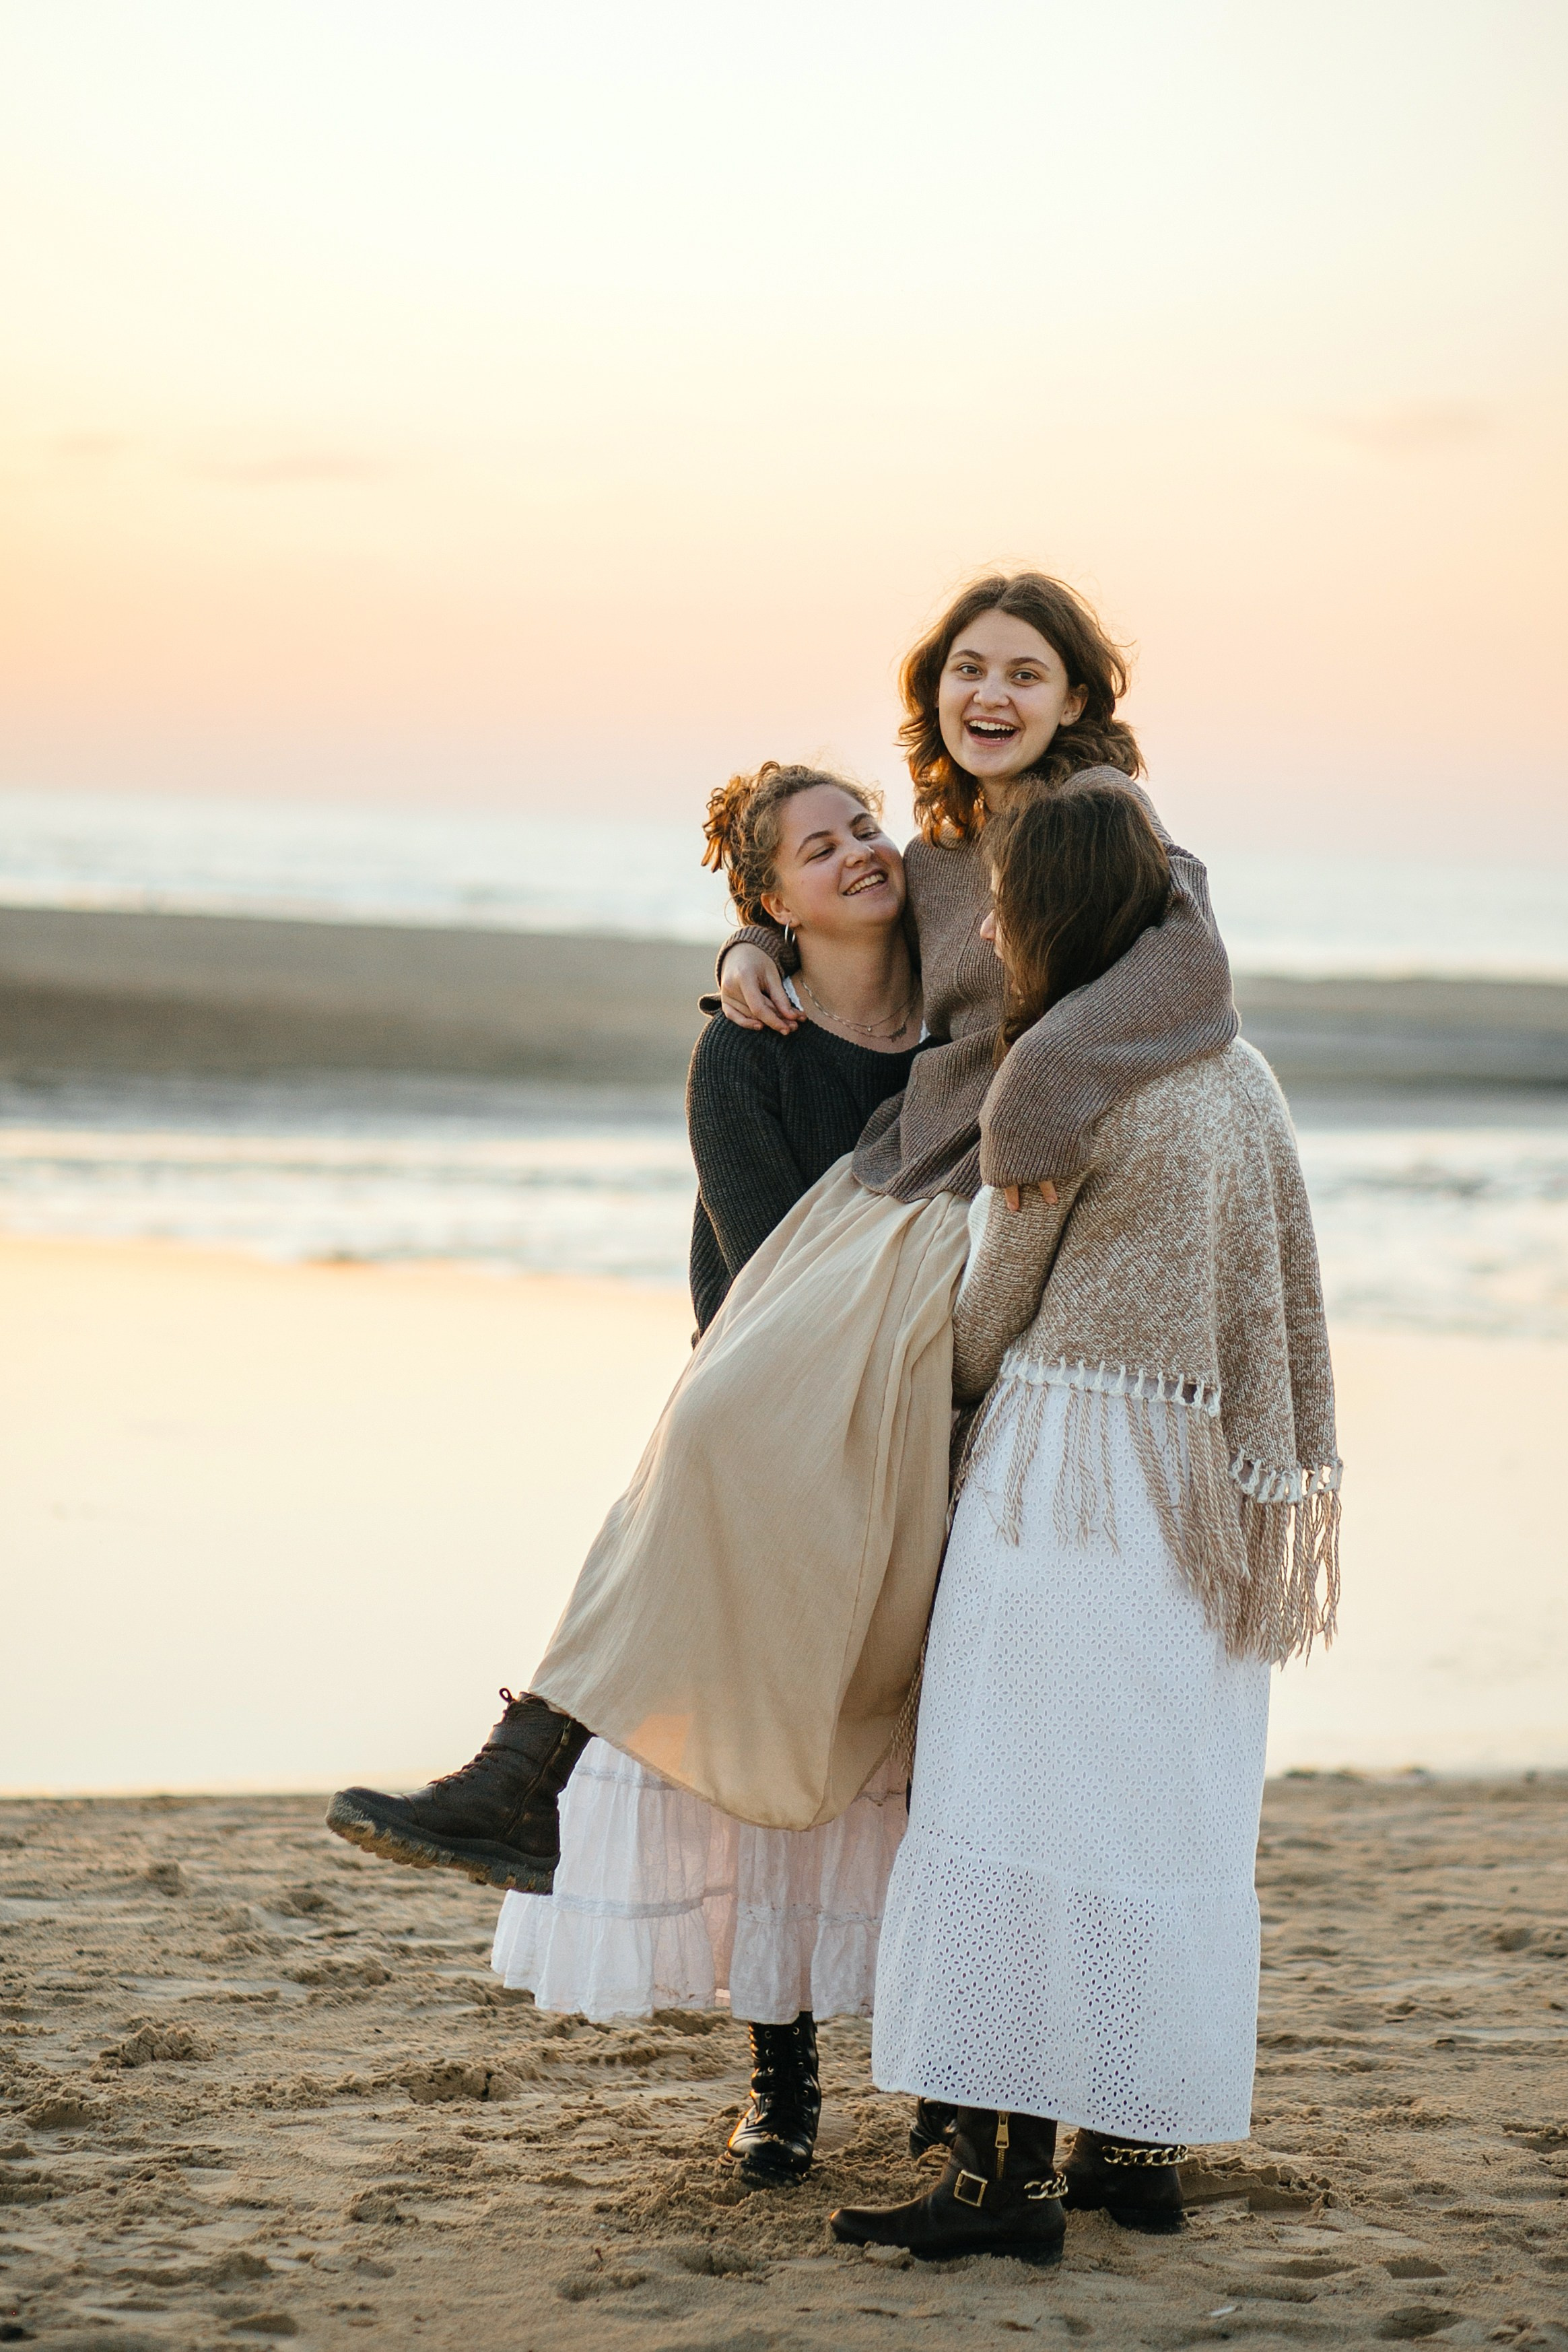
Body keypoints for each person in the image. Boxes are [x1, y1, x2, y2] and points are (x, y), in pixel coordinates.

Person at [327, 571, 1237, 1996]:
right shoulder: (936, 856)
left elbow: (1197, 984)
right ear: (933, 696)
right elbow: (836, 929)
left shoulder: (1102, 830)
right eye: (964, 673)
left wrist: (1036, 1092)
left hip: (967, 1203)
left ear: (1076, 698)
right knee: (709, 1413)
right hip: (887, 1190)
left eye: (1022, 673)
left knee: (735, 1414)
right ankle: (529, 1764)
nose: (987, 697)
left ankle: (531, 1762)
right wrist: (752, 939)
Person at [829, 783, 1340, 2266]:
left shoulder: (1054, 1074)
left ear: (1046, 911)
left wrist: (922, 1394)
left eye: (999, 901)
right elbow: (1277, 1294)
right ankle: (1135, 2145)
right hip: (1207, 1490)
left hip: (1069, 1480)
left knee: (1004, 1795)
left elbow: (994, 1309)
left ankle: (1001, 2185)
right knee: (1151, 1803)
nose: (983, 923)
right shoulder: (1239, 1072)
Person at [491, 761, 923, 2184]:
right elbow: (763, 1268)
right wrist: (738, 969)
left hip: (940, 1401)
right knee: (753, 1740)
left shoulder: (966, 1004)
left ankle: (940, 2061)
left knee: (918, 1757)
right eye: (820, 846)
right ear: (770, 902)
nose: (861, 850)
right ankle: (780, 2070)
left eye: (866, 824)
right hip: (780, 1410)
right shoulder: (747, 1048)